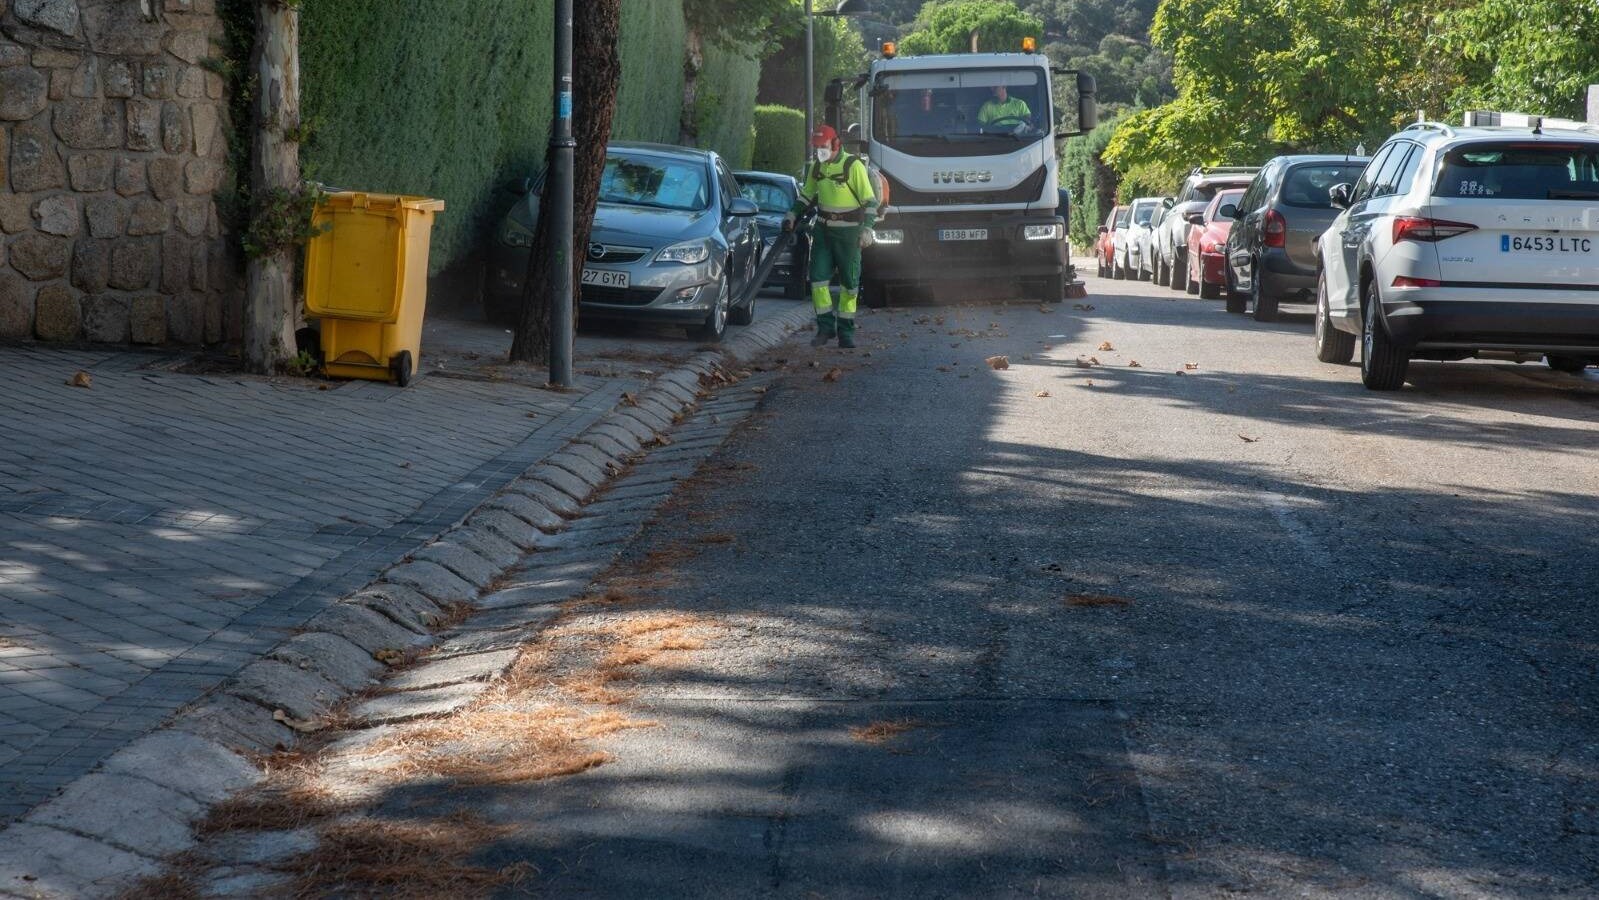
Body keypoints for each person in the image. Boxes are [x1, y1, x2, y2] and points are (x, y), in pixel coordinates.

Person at [783, 125, 876, 349]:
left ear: (835, 144)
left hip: (849, 232)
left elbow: (869, 201)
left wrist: (867, 228)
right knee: (817, 280)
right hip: (824, 231)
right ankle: (825, 328)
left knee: (850, 284)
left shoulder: (853, 166)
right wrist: (792, 214)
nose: (819, 152)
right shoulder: (817, 167)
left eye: (822, 147)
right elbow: (806, 195)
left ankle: (846, 331)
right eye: (816, 148)